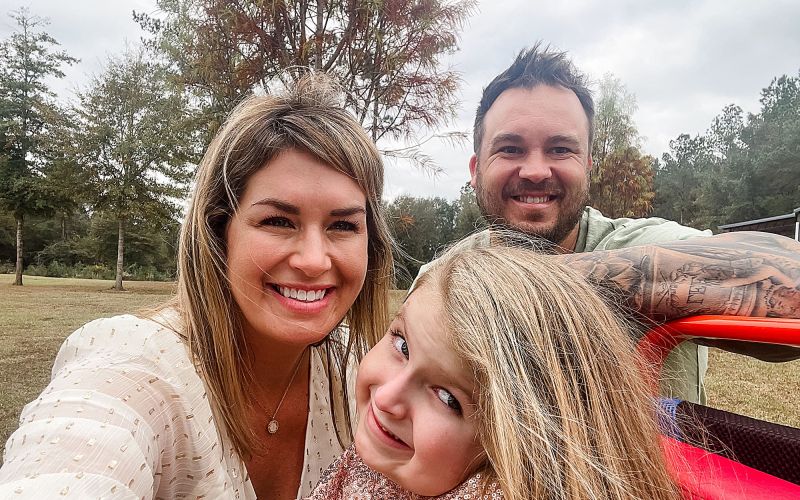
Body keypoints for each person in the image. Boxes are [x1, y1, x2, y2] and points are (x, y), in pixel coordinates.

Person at [0, 74, 394, 499]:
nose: (314, 260)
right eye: (278, 221)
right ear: (219, 232)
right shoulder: (140, 365)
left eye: (343, 225)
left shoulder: (364, 372)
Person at [417, 43, 800, 403]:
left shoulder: (647, 244)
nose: (535, 170)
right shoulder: (435, 278)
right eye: (510, 149)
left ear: (586, 167)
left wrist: (504, 287)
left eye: (560, 149)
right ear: (475, 169)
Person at [309, 242, 682, 500]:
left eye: (447, 398)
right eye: (403, 346)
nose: (387, 398)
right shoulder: (381, 461)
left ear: (520, 447)